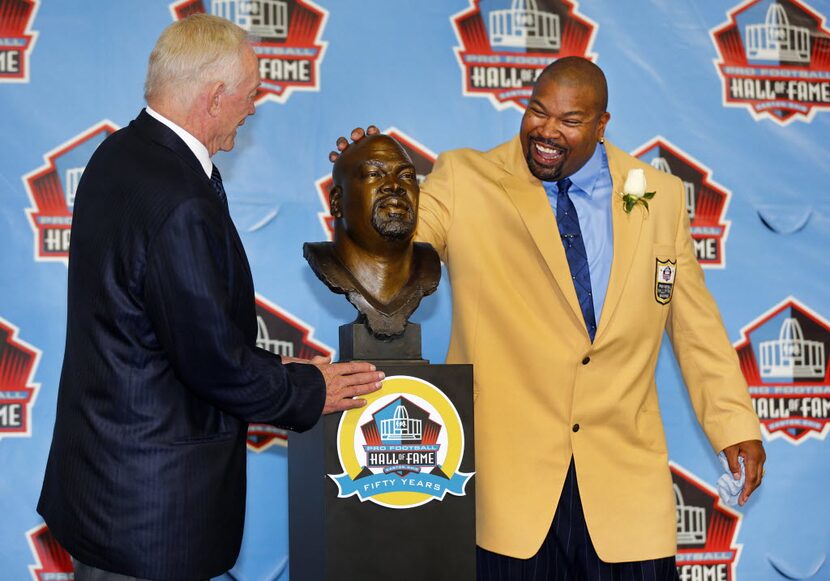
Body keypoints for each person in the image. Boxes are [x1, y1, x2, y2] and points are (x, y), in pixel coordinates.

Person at [334, 57, 765, 580]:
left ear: (602, 125)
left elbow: (696, 325)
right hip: (506, 497)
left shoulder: (659, 195)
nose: (546, 130)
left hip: (625, 494)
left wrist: (733, 424)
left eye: (569, 121)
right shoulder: (467, 177)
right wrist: (372, 192)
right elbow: (396, 249)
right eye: (538, 111)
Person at [37, 14, 383, 581]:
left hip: (105, 494)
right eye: (250, 95)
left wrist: (271, 366)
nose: (253, 108)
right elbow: (214, 364)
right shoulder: (180, 199)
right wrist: (306, 388)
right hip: (152, 520)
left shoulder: (118, 155)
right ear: (215, 96)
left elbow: (155, 331)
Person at [305, 134, 440, 337]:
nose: (394, 185)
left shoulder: (427, 265)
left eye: (406, 176)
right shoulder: (325, 261)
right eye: (374, 174)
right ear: (336, 202)